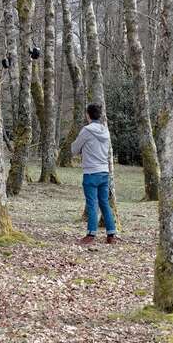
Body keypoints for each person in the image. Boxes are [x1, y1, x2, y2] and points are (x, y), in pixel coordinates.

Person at [71, 103, 118, 245]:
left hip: (91, 172)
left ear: (88, 115)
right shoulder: (105, 130)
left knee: (92, 204)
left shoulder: (86, 130)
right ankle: (111, 234)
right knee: (104, 203)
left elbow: (74, 149)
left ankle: (91, 234)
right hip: (104, 172)